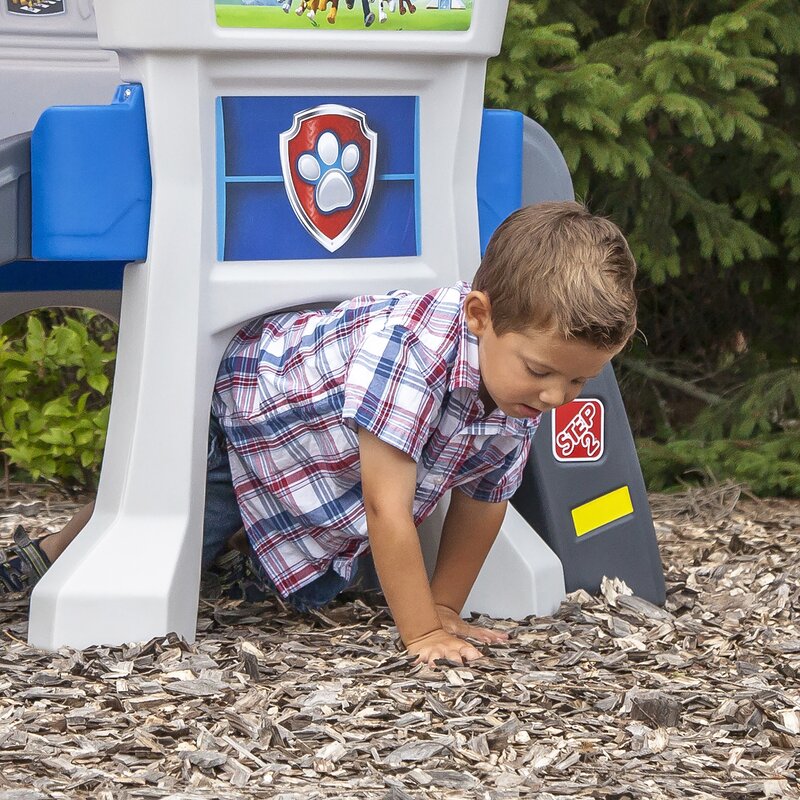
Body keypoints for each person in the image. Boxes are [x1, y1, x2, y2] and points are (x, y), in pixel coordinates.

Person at [0, 201, 638, 665]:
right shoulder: (411, 350)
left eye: (579, 383)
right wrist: (420, 636)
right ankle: (51, 557)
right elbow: (387, 508)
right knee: (164, 530)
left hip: (321, 469)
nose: (557, 397)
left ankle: (243, 565)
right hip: (251, 417)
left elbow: (485, 500)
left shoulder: (518, 389)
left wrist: (445, 608)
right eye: (542, 372)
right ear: (479, 316)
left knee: (319, 582)